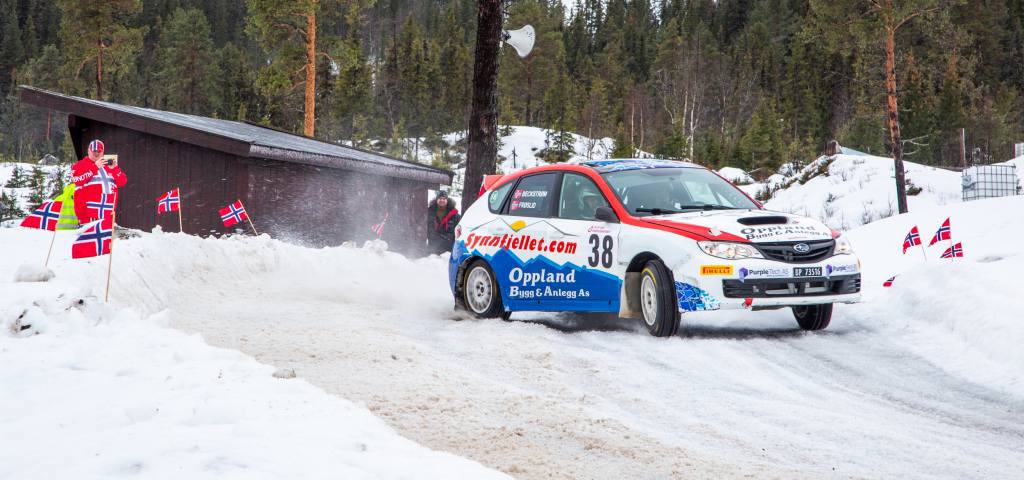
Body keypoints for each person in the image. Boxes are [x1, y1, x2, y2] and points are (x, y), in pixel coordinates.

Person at [70, 139, 127, 223]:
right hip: (87, 215)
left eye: (99, 151)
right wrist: (95, 167)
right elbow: (77, 180)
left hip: (107, 213)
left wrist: (115, 169)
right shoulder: (79, 165)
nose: (96, 154)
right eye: (94, 151)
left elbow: (122, 181)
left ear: (103, 152)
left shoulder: (108, 166)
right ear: (89, 151)